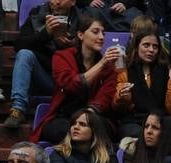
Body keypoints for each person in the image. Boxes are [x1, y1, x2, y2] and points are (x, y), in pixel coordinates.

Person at [30, 13, 120, 145]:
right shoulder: (62, 57)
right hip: (64, 116)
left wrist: (88, 116)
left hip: (94, 116)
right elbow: (71, 84)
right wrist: (101, 64)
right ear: (80, 35)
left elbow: (105, 96)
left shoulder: (109, 66)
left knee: (99, 131)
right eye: (95, 32)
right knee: (66, 130)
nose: (101, 37)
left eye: (103, 33)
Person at [93, 24, 171, 140]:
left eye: (155, 47)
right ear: (136, 47)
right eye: (146, 45)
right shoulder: (124, 70)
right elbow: (118, 109)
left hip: (160, 120)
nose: (151, 50)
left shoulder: (166, 70)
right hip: (134, 121)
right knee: (136, 132)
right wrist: (121, 96)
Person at [5, 0, 79, 129]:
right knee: (24, 54)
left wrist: (72, 46)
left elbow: (90, 56)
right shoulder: (37, 14)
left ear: (73, 2)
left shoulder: (82, 19)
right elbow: (19, 44)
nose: (56, 2)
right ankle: (18, 109)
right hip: (46, 78)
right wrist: (46, 34)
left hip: (70, 82)